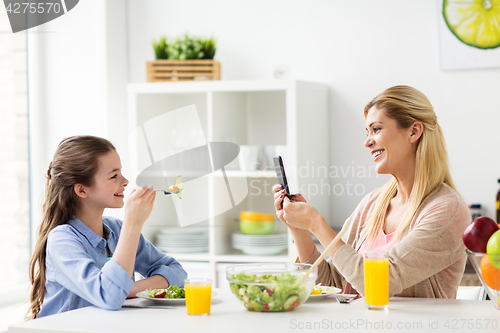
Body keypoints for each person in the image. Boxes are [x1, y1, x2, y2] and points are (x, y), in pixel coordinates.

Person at [273, 85, 470, 299]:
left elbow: (381, 283)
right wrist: (300, 229)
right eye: (367, 132)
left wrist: (316, 223)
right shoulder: (375, 203)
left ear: (414, 131)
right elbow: (333, 284)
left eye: (376, 129)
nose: (367, 142)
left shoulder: (447, 209)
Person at [27, 135, 187, 319]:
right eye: (114, 176)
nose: (125, 181)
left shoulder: (117, 229)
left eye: (121, 172)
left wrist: (129, 289)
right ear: (81, 190)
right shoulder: (62, 240)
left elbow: (177, 272)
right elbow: (109, 296)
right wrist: (134, 223)